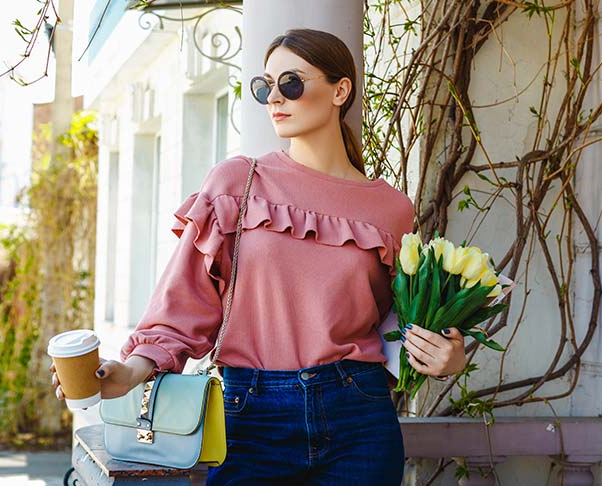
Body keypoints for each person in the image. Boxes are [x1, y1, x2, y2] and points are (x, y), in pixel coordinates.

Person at [51, 28, 466, 485]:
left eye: (291, 83)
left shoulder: (391, 209)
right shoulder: (237, 183)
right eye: (265, 86)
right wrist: (132, 370)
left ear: (340, 90)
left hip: (359, 415)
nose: (274, 98)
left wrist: (448, 355)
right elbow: (184, 301)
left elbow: (401, 324)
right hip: (251, 415)